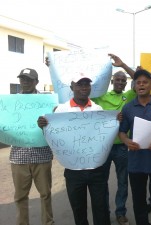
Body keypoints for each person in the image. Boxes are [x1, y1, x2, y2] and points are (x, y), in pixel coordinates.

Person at [38, 73, 110, 225]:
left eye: (87, 84)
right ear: (72, 87)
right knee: (78, 210)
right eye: (80, 84)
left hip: (97, 169)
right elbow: (52, 134)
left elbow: (103, 134)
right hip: (73, 170)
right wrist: (43, 125)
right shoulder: (61, 110)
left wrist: (115, 121)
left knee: (101, 209)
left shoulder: (98, 109)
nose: (84, 87)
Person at [119, 69, 151, 225]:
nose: (141, 85)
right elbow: (122, 132)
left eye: (145, 82)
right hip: (136, 163)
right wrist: (127, 141)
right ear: (134, 86)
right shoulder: (128, 108)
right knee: (139, 200)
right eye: (138, 82)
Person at [91, 54, 136, 225]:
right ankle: (104, 213)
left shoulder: (129, 96)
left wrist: (123, 65)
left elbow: (139, 78)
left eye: (123, 81)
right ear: (111, 81)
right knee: (101, 182)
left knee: (123, 181)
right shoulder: (100, 96)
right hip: (104, 146)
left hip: (123, 147)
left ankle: (120, 212)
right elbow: (84, 86)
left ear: (126, 84)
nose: (120, 82)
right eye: (117, 80)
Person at [10, 68, 54, 225]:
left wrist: (47, 123)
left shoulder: (48, 101)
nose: (25, 82)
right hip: (18, 157)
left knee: (45, 194)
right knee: (20, 197)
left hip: (42, 155)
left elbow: (56, 124)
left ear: (36, 81)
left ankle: (48, 222)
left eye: (29, 79)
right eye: (22, 79)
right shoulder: (11, 101)